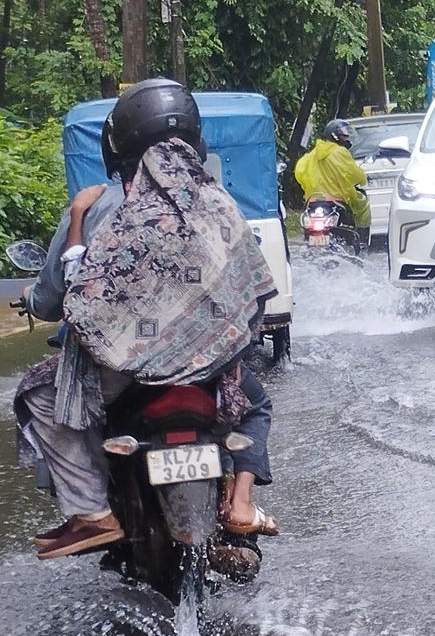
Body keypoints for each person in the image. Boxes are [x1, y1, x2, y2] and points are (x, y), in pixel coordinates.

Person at [13, 78, 279, 560]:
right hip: (209, 365)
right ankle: (240, 503)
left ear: (119, 145)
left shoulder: (96, 206)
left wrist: (75, 225)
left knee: (38, 394)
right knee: (255, 404)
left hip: (122, 370)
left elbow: (65, 295)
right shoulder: (217, 201)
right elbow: (250, 283)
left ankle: (92, 513)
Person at [294, 119, 370, 245]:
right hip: (338, 200)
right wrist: (363, 178)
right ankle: (361, 243)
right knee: (363, 206)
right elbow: (356, 175)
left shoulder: (311, 155)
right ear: (335, 135)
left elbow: (299, 173)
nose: (346, 137)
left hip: (312, 202)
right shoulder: (340, 152)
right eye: (344, 134)